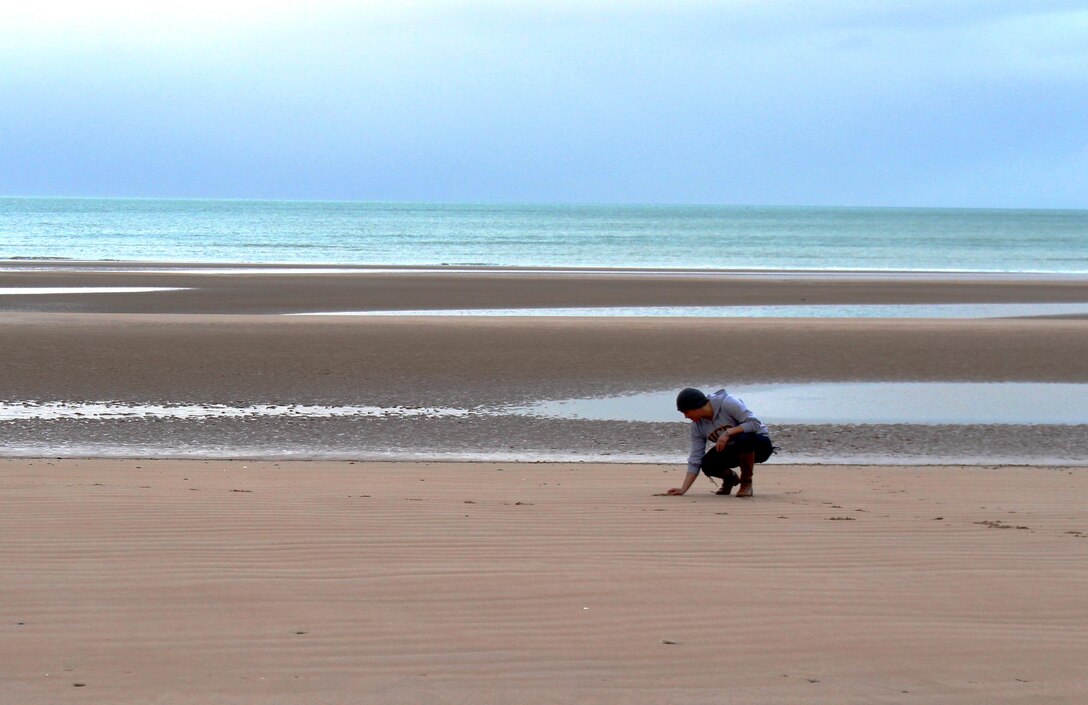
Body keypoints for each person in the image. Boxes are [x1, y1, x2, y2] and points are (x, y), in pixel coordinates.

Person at [666, 387, 775, 498]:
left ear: (696, 406)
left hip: (759, 446)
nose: (686, 416)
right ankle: (730, 479)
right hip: (735, 450)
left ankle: (746, 484)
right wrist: (683, 489)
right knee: (707, 463)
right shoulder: (697, 426)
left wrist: (728, 433)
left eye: (686, 412)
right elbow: (695, 457)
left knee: (744, 438)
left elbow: (755, 423)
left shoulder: (728, 402)